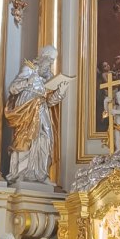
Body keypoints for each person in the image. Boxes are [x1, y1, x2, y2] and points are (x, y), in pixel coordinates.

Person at [4, 46, 71, 184]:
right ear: (43, 57)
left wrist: (60, 92)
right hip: (26, 110)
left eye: (53, 60)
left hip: (42, 109)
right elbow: (13, 88)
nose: (51, 63)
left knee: (44, 139)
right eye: (50, 59)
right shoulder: (29, 69)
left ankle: (40, 174)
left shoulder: (49, 77)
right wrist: (27, 82)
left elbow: (50, 101)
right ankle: (21, 173)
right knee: (26, 138)